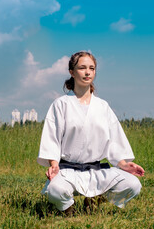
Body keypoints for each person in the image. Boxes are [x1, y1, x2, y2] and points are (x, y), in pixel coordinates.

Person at [37, 51, 145, 215]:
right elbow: (52, 139)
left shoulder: (102, 106)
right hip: (68, 171)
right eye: (82, 68)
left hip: (96, 171)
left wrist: (123, 165)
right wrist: (54, 165)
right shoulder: (60, 104)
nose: (87, 72)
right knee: (55, 190)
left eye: (92, 68)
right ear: (72, 72)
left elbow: (114, 141)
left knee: (133, 186)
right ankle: (68, 209)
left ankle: (94, 200)